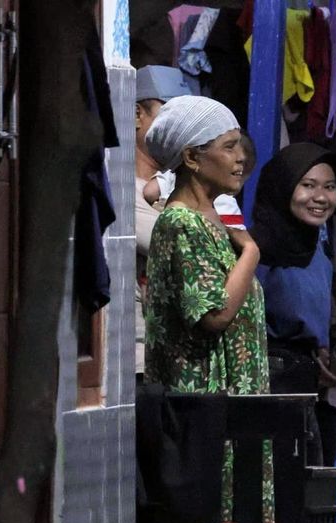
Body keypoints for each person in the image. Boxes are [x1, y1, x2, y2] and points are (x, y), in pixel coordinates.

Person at [142, 95, 272, 523]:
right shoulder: (180, 223)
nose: (241, 159)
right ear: (193, 158)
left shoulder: (217, 221)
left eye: (241, 147)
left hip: (230, 407)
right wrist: (251, 254)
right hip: (202, 411)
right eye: (229, 146)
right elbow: (214, 313)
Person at [250, 143, 336, 466]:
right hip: (269, 387)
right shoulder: (254, 246)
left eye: (329, 187)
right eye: (308, 185)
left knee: (312, 492)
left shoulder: (332, 242)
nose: (320, 197)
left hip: (318, 390)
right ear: (284, 186)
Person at [134, 65, 191, 379]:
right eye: (170, 115)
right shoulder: (120, 186)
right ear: (137, 114)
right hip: (140, 361)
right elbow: (185, 244)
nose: (181, 130)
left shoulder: (181, 182)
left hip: (182, 358)